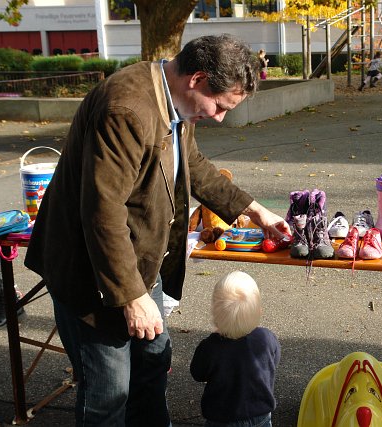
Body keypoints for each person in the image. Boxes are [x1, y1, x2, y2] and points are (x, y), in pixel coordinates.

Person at [24, 34, 290, 426]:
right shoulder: (126, 109)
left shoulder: (174, 100)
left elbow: (193, 166)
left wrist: (256, 212)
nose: (220, 118)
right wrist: (133, 297)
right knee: (108, 395)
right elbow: (103, 213)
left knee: (151, 366)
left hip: (139, 264)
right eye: (220, 106)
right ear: (197, 79)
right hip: (93, 277)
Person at [190, 271, 280, 427]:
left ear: (214, 314)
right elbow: (274, 361)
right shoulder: (266, 338)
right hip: (260, 416)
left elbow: (197, 373)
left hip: (222, 418)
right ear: (259, 311)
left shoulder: (210, 347)